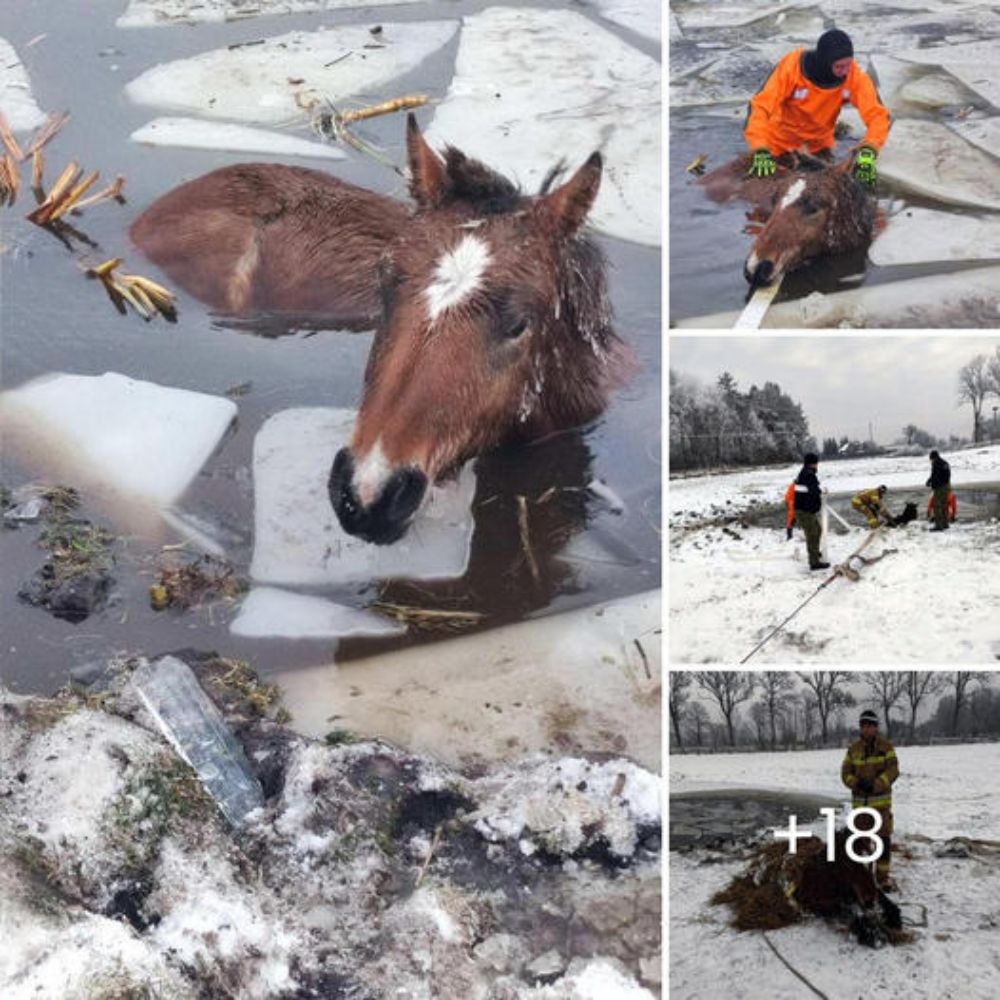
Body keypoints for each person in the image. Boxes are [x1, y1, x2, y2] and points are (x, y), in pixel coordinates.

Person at [744, 28, 891, 188]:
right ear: (825, 62)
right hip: (778, 147)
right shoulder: (792, 68)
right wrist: (760, 149)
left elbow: (878, 115)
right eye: (839, 66)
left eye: (848, 64)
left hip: (818, 148)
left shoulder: (853, 77)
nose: (845, 72)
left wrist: (869, 149)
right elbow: (760, 106)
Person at [841, 709, 899, 891]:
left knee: (882, 841)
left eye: (870, 726)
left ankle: (882, 878)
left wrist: (876, 784)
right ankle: (859, 876)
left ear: (875, 727)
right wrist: (857, 783)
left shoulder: (886, 748)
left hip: (881, 808)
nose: (866, 729)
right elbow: (845, 773)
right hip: (860, 809)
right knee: (858, 843)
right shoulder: (853, 750)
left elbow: (893, 771)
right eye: (863, 726)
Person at [793, 452, 829, 570]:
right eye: (815, 463)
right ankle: (814, 562)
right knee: (813, 534)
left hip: (805, 511)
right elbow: (814, 491)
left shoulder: (804, 473)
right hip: (804, 512)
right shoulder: (808, 475)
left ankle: (814, 553)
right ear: (812, 463)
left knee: (817, 530)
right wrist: (821, 492)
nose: (817, 465)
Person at [926, 449, 952, 531]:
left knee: (937, 506)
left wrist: (932, 483)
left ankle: (938, 525)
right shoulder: (945, 463)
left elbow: (935, 476)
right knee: (944, 505)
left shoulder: (936, 464)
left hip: (940, 488)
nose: (931, 461)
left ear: (934, 457)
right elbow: (946, 475)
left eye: (931, 459)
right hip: (947, 486)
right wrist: (930, 480)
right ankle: (945, 523)